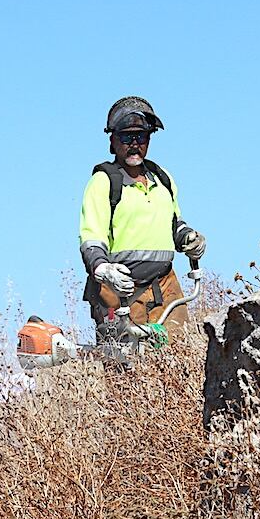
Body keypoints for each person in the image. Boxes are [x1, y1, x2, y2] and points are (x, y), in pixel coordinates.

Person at [78, 96, 207, 346]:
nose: (134, 144)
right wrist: (103, 270)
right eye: (126, 137)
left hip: (164, 285)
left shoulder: (162, 179)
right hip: (120, 291)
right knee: (127, 369)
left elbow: (173, 224)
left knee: (176, 355)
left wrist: (189, 238)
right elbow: (91, 237)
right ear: (112, 141)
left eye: (142, 137)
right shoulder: (104, 182)